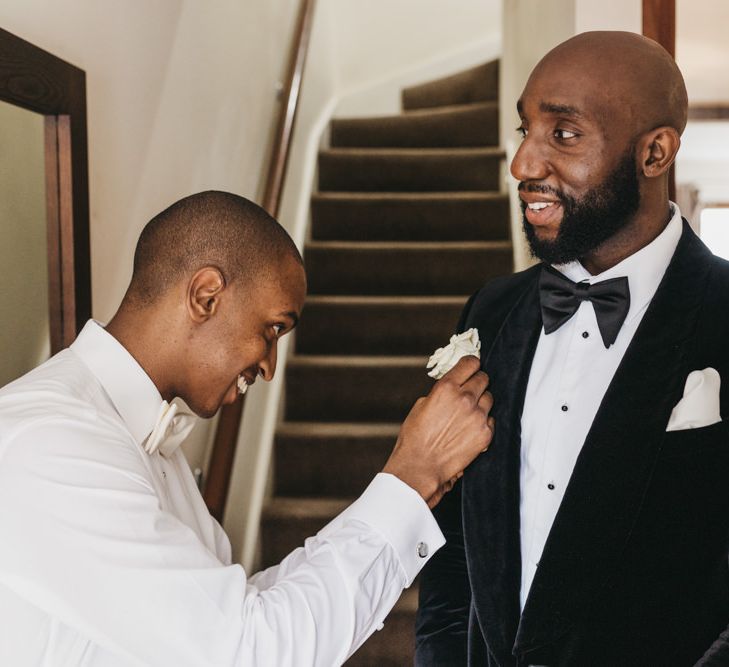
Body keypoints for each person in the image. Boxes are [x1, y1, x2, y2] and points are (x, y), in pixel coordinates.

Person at [0, 191, 495, 666]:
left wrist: (416, 484)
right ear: (206, 295)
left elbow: (242, 609)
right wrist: (411, 475)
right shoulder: (52, 442)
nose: (270, 366)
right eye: (273, 329)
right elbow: (248, 650)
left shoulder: (143, 438)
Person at [415, 31, 729, 667]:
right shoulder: (491, 310)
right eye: (526, 130)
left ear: (655, 153)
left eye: (563, 134)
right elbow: (455, 550)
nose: (523, 165)